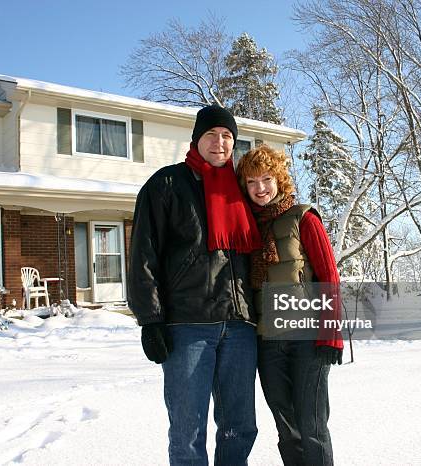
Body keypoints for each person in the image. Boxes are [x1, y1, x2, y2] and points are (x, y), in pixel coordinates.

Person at [128, 105, 262, 466]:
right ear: (196, 139)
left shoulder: (242, 189)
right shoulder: (166, 185)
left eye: (227, 136)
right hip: (187, 326)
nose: (219, 143)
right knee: (188, 431)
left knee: (240, 426)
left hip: (240, 326)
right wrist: (150, 320)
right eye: (211, 135)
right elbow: (144, 255)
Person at [236, 145, 343, 466]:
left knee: (312, 427)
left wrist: (331, 335)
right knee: (287, 429)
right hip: (268, 344)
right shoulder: (247, 228)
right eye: (252, 182)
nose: (260, 188)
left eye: (266, 179)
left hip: (307, 341)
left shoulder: (304, 219)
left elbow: (329, 277)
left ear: (280, 179)